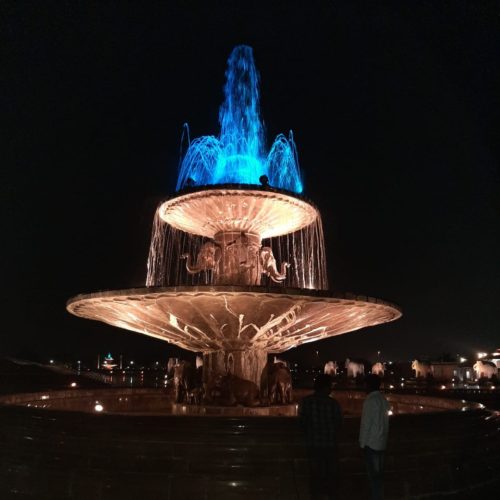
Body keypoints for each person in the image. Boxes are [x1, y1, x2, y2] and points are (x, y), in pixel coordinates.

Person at [298, 374, 343, 500]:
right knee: (331, 477)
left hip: (313, 445)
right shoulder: (334, 404)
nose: (331, 389)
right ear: (325, 387)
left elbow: (302, 423)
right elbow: (339, 424)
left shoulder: (306, 402)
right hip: (330, 446)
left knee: (315, 476)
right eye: (330, 386)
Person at [359, 374, 390, 500]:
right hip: (382, 443)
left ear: (368, 385)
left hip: (371, 444)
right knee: (379, 477)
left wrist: (362, 443)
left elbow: (366, 424)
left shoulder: (370, 401)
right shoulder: (383, 400)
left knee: (374, 478)